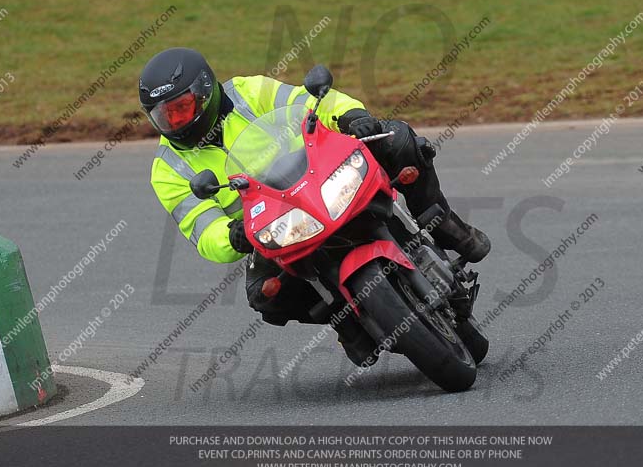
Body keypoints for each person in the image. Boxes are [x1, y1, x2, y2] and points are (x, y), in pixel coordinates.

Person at [142, 47, 490, 358]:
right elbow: (203, 230)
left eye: (181, 109)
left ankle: (443, 223)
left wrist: (352, 117)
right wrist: (233, 235)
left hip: (324, 177)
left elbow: (311, 102)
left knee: (397, 139)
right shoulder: (167, 169)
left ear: (205, 92)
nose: (175, 122)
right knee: (265, 295)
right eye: (163, 116)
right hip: (276, 225)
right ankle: (344, 318)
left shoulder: (249, 92)